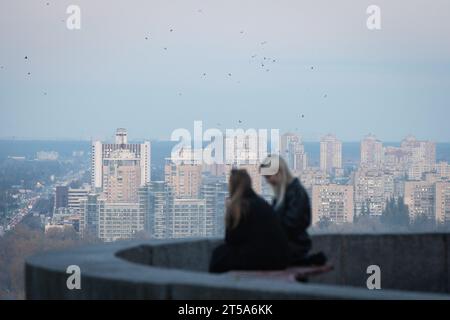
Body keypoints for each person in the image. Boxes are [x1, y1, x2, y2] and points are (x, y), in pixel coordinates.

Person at [209, 169, 290, 273]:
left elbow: (230, 240)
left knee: (218, 255)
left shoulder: (238, 206)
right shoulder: (261, 203)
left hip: (264, 260)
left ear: (232, 185)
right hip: (280, 260)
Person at [260, 155, 326, 266]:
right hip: (287, 245)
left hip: (294, 246)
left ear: (279, 172)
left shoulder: (295, 192)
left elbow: (291, 223)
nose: (267, 181)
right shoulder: (283, 194)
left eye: (268, 176)